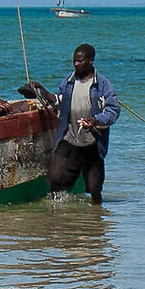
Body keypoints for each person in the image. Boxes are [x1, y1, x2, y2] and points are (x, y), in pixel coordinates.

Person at [48, 43, 120, 203]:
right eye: (74, 61)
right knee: (55, 177)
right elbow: (58, 100)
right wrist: (43, 92)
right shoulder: (68, 81)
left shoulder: (102, 85)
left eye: (80, 61)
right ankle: (55, 215)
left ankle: (96, 219)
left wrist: (95, 120)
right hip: (69, 137)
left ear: (91, 61)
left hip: (93, 141)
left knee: (94, 187)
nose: (76, 64)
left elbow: (113, 110)